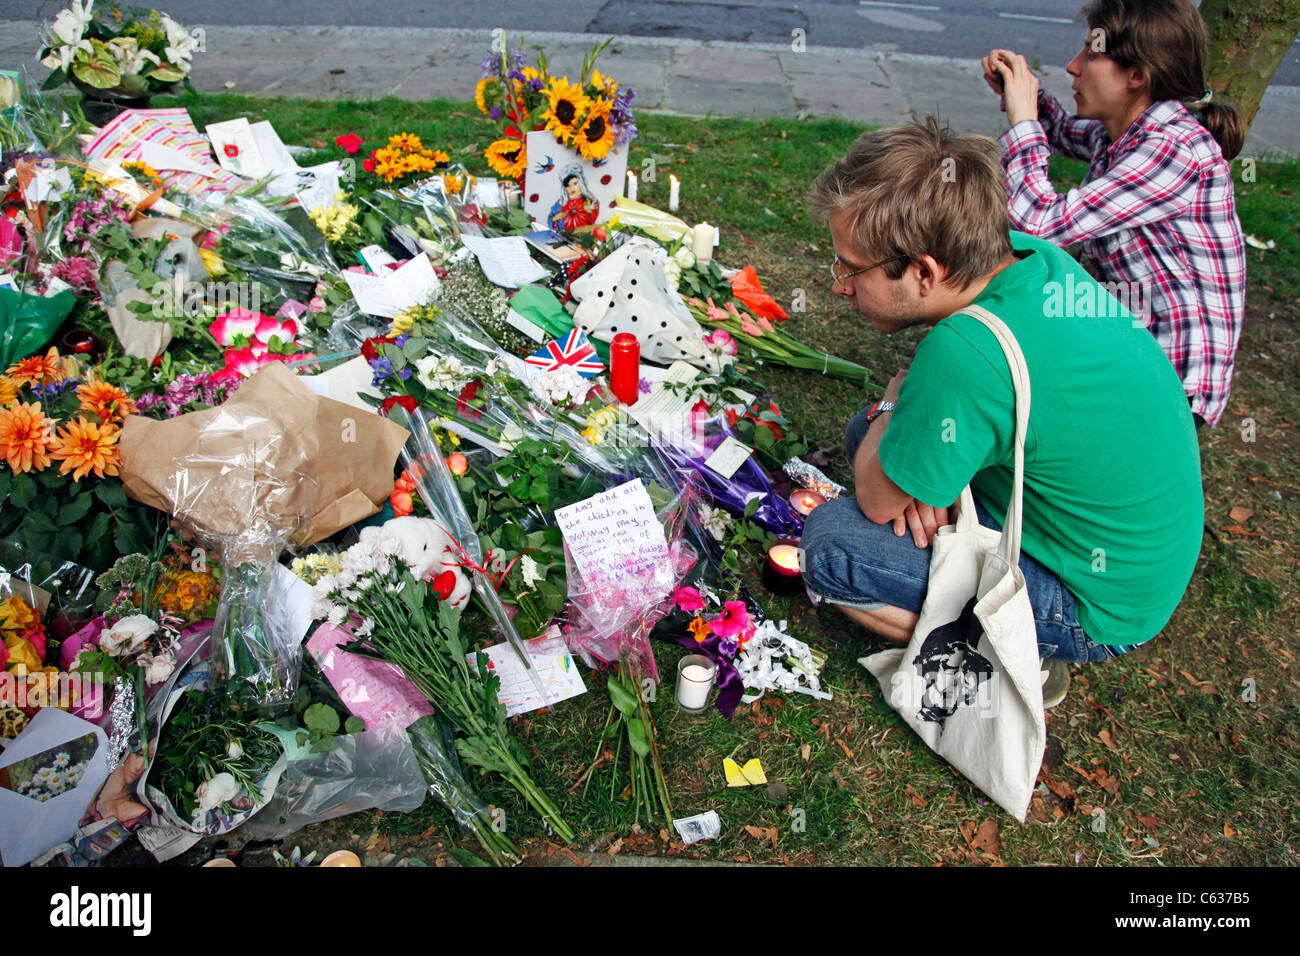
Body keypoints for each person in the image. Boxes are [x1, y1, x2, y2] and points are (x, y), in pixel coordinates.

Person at [800, 118, 1203, 706]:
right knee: (871, 434)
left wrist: (896, 391)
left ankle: (1020, 653)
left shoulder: (962, 352)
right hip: (1137, 557)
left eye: (850, 268)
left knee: (830, 546)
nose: (839, 286)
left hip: (1095, 602)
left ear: (925, 272)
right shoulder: (1033, 258)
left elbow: (877, 501)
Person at [982, 0, 1246, 429]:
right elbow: (1066, 132)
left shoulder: (1173, 149)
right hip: (1128, 349)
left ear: (1137, 75)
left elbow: (1040, 224)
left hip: (1168, 375)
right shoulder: (1129, 135)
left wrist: (1023, 118)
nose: (1072, 66)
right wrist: (1022, 92)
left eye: (1090, 53)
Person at [548, 167, 600, 233]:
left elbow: (592, 223)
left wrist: (589, 211)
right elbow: (551, 220)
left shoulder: (589, 201)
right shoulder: (561, 203)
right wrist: (557, 218)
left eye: (575, 184)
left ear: (581, 183)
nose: (572, 188)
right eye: (568, 186)